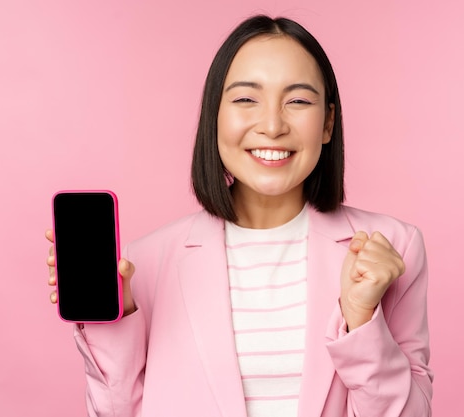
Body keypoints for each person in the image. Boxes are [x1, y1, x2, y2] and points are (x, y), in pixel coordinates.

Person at [46, 14, 433, 417]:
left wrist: (362, 322)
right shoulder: (143, 265)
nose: (271, 126)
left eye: (298, 101)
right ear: (215, 116)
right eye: (246, 99)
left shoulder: (392, 251)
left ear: (328, 123)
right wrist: (116, 318)